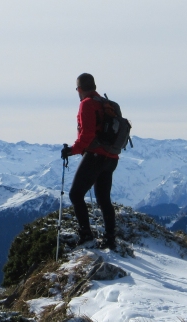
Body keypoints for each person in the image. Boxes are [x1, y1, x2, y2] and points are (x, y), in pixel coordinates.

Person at [61, 73, 118, 250]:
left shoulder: (87, 104)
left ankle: (86, 235)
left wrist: (71, 150)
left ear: (79, 89)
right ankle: (110, 238)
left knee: (75, 194)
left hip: (95, 156)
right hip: (111, 157)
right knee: (103, 199)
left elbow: (87, 135)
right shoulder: (105, 103)